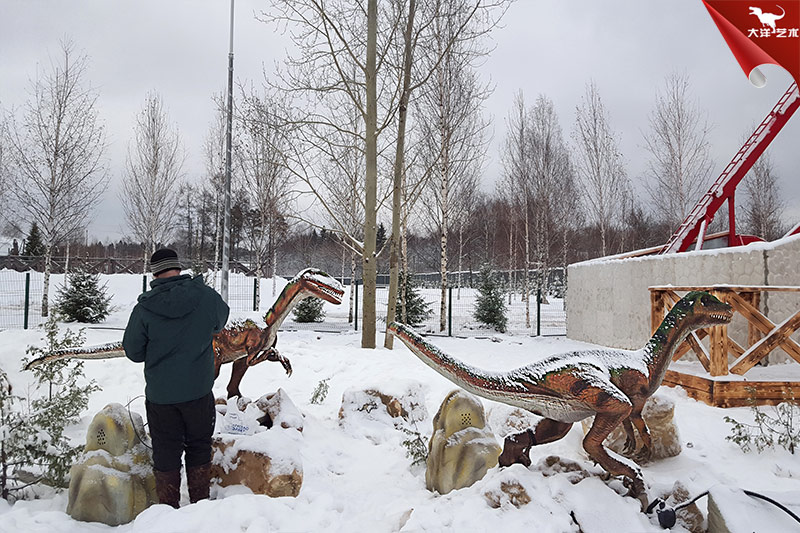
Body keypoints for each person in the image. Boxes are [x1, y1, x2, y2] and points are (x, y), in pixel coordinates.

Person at [122, 248, 229, 508]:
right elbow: (220, 322)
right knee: (199, 447)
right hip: (199, 392)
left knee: (166, 451)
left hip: (161, 397)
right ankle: (200, 508)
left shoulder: (145, 308)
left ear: (154, 272)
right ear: (178, 268)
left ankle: (168, 513)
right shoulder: (206, 297)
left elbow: (134, 352)